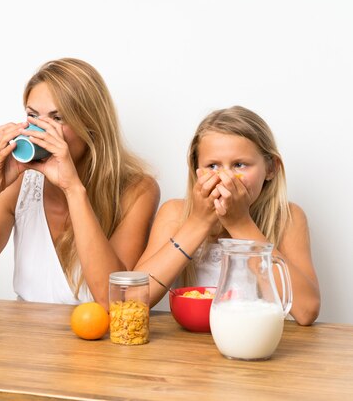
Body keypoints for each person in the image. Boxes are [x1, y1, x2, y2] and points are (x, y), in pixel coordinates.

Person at [0, 58, 160, 307]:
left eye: (57, 118)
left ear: (91, 126)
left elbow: (113, 301)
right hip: (28, 340)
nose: (41, 130)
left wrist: (72, 189)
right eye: (32, 116)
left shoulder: (137, 190)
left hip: (98, 343)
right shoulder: (20, 185)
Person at [134, 106, 320, 325]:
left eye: (239, 164)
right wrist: (198, 222)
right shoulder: (175, 213)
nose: (225, 177)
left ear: (271, 168)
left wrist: (240, 223)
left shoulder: (287, 218)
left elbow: (307, 311)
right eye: (212, 165)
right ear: (196, 170)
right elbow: (133, 298)